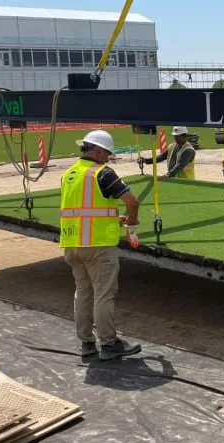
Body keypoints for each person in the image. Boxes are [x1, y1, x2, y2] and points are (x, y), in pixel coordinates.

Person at [60, 130, 142, 361]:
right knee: (104, 295)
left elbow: (82, 210)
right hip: (98, 245)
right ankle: (109, 344)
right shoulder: (102, 173)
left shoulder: (70, 174)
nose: (108, 158)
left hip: (72, 244)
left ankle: (87, 343)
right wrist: (132, 219)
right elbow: (131, 201)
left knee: (83, 293)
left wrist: (113, 218)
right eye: (107, 153)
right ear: (97, 150)